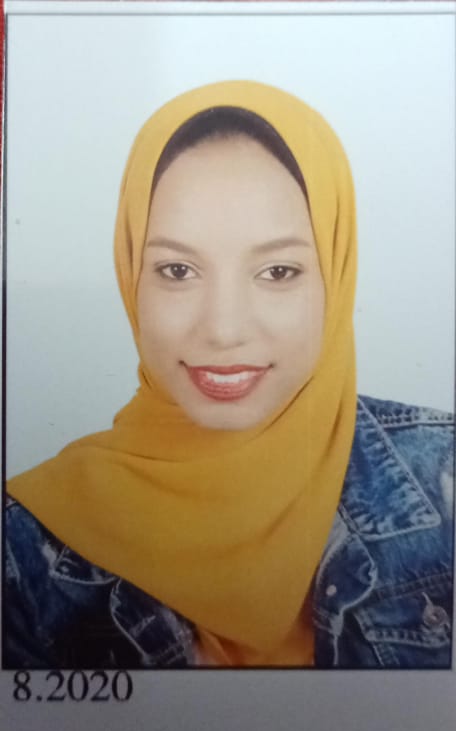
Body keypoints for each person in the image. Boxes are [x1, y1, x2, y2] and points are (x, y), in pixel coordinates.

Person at [4, 80, 453, 669]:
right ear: (130, 273)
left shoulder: (445, 479)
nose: (223, 329)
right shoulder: (23, 555)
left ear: (336, 274)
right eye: (177, 270)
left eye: (278, 272)